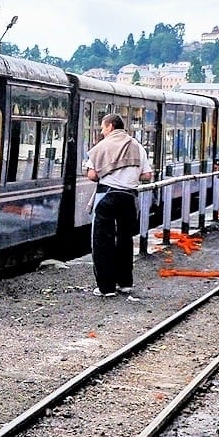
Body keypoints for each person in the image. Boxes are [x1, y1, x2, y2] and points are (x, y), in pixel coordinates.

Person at [84, 113, 153, 300]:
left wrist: (110, 172)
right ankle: (125, 283)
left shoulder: (102, 147)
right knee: (125, 239)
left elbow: (92, 175)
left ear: (111, 126)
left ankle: (106, 288)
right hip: (129, 198)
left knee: (102, 242)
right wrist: (130, 175)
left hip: (107, 196)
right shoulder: (137, 147)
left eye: (103, 127)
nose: (101, 131)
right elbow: (147, 175)